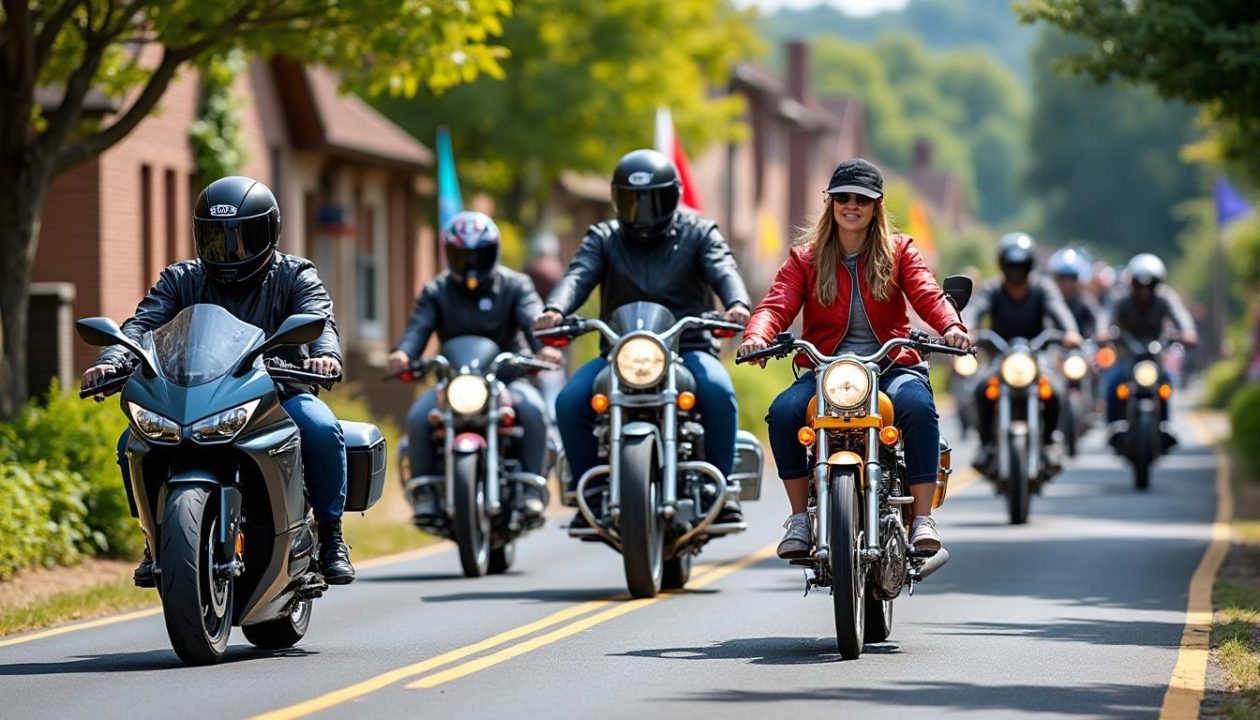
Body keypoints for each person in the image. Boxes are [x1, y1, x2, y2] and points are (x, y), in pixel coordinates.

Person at [81, 176, 355, 587]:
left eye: (245, 236)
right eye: (216, 237)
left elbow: (319, 319)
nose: (230, 250)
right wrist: (113, 359)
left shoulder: (295, 274)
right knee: (131, 443)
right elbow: (142, 324)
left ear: (271, 232)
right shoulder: (181, 279)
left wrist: (325, 357)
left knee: (319, 427)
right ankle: (157, 539)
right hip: (197, 396)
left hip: (277, 394)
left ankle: (331, 536)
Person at [740, 158, 969, 556]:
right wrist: (757, 335)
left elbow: (928, 295)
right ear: (830, 203)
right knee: (783, 412)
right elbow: (775, 305)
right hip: (826, 370)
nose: (851, 205)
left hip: (893, 364)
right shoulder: (805, 259)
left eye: (861, 199)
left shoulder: (900, 252)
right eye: (842, 197)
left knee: (917, 405)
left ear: (876, 207)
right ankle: (798, 518)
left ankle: (922, 518)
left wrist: (951, 326)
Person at [534, 148, 751, 526]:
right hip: (622, 353)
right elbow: (578, 275)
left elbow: (723, 267)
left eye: (652, 200)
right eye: (633, 202)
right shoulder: (604, 237)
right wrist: (555, 309)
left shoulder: (699, 232)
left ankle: (720, 487)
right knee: (569, 400)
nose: (643, 212)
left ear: (672, 196)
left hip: (689, 348)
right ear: (618, 200)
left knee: (718, 389)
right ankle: (592, 493)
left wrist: (736, 303)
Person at [386, 211, 563, 521]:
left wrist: (543, 349)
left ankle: (531, 489)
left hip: (507, 377)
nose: (470, 265)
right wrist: (403, 354)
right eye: (461, 255)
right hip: (455, 381)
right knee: (418, 417)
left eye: (478, 255)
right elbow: (418, 330)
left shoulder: (515, 285)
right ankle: (426, 492)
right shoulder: (435, 291)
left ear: (492, 252)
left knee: (533, 409)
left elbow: (531, 319)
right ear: (448, 254)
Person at [963, 232, 1083, 473]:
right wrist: (966, 329)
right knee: (981, 388)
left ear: (1030, 265)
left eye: (1021, 265)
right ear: (1003, 266)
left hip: (1036, 355)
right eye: (1012, 265)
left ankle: (1049, 441)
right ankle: (986, 445)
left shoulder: (1043, 288)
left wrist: (1070, 332)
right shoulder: (993, 289)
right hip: (1001, 356)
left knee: (1056, 390)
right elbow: (975, 310)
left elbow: (1060, 311)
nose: (1016, 270)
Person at [1098, 253, 1198, 424]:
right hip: (1127, 353)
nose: (1144, 290)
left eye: (1150, 285)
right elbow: (1106, 314)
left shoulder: (1166, 297)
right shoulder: (1120, 297)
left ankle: (1164, 424)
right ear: (1132, 283)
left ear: (1157, 284)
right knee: (1113, 384)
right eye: (1139, 285)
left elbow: (1181, 315)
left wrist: (1188, 332)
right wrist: (1102, 331)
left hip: (1155, 355)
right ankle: (1113, 425)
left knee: (1167, 382)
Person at [1047, 247, 1101, 338]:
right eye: (1063, 278)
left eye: (1071, 279)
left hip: (1082, 349)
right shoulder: (1047, 300)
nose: (1067, 284)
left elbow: (1098, 319)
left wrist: (1101, 331)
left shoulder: (1085, 301)